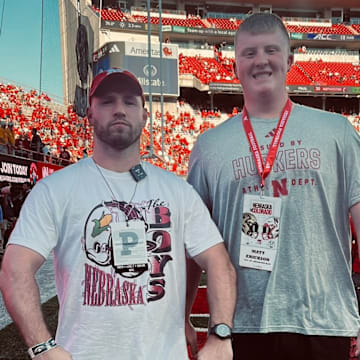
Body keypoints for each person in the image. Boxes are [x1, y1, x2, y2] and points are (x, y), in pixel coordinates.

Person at [0, 68, 236, 360]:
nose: (120, 109)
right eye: (107, 101)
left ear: (144, 116)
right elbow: (14, 269)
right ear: (90, 115)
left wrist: (220, 333)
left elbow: (218, 263)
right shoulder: (54, 189)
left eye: (129, 101)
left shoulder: (178, 191)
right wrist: (41, 346)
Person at [187, 12, 360, 360]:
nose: (261, 60)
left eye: (271, 50)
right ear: (235, 65)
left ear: (290, 59)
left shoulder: (337, 131)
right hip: (239, 326)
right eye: (249, 53)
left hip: (323, 322)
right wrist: (182, 314)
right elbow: (192, 239)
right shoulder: (209, 146)